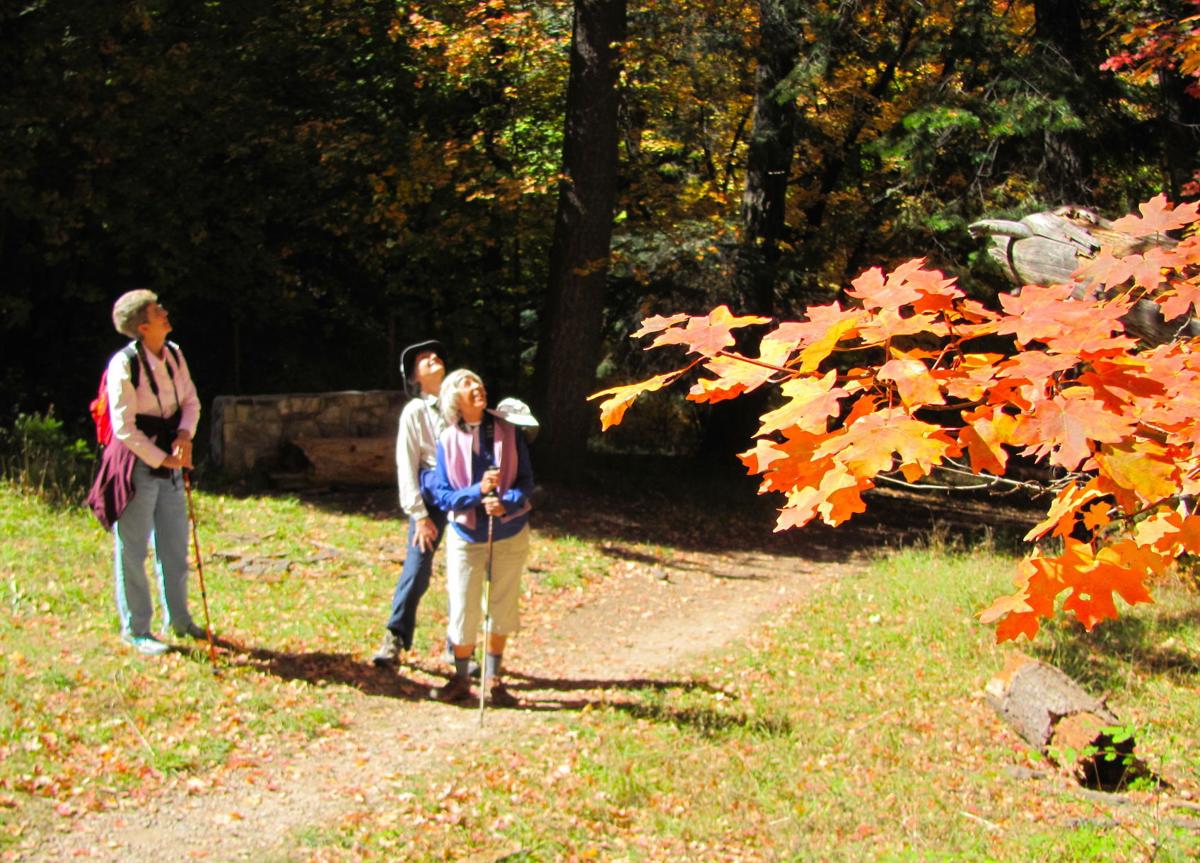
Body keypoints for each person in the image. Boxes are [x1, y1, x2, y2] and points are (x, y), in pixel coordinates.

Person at [427, 369, 534, 706]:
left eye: (479, 381)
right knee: (463, 608)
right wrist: (477, 492)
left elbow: (526, 482)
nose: (477, 386)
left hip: (509, 531)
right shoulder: (446, 440)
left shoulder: (508, 429)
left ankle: (494, 680)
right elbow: (443, 495)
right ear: (453, 399)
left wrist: (504, 504)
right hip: (465, 535)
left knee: (502, 606)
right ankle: (461, 679)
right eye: (467, 383)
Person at [107, 290, 204, 655]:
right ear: (142, 326)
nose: (165, 313)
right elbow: (124, 427)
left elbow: (191, 401)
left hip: (172, 464)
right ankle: (137, 630)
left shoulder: (175, 355)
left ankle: (179, 620)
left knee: (175, 546)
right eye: (157, 310)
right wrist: (159, 458)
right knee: (132, 548)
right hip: (137, 465)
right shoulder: (124, 364)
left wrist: (183, 436)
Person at [372, 340, 449, 667]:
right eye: (422, 359)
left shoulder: (462, 402)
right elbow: (408, 464)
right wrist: (418, 515)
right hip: (431, 497)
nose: (432, 358)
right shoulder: (414, 412)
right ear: (414, 378)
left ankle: (460, 648)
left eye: (434, 354)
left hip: (466, 496)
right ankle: (395, 637)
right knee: (417, 568)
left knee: (466, 572)